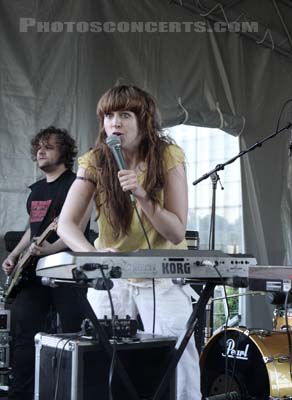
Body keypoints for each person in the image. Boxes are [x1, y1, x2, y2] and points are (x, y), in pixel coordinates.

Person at [57, 85, 201, 400]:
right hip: (113, 275)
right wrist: (92, 255)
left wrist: (143, 196)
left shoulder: (167, 155)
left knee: (179, 360)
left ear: (143, 120)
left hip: (162, 277)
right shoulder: (94, 160)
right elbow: (66, 224)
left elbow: (176, 232)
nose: (115, 123)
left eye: (125, 114)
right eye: (109, 115)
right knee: (97, 355)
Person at [1, 127, 89, 400]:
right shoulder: (36, 190)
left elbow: (77, 226)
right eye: (38, 146)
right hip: (32, 271)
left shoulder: (76, 184)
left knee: (74, 332)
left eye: (48, 147)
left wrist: (51, 248)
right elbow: (33, 229)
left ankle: (74, 392)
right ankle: (20, 393)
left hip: (66, 269)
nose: (40, 151)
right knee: (25, 335)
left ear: (64, 152)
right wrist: (15, 255)